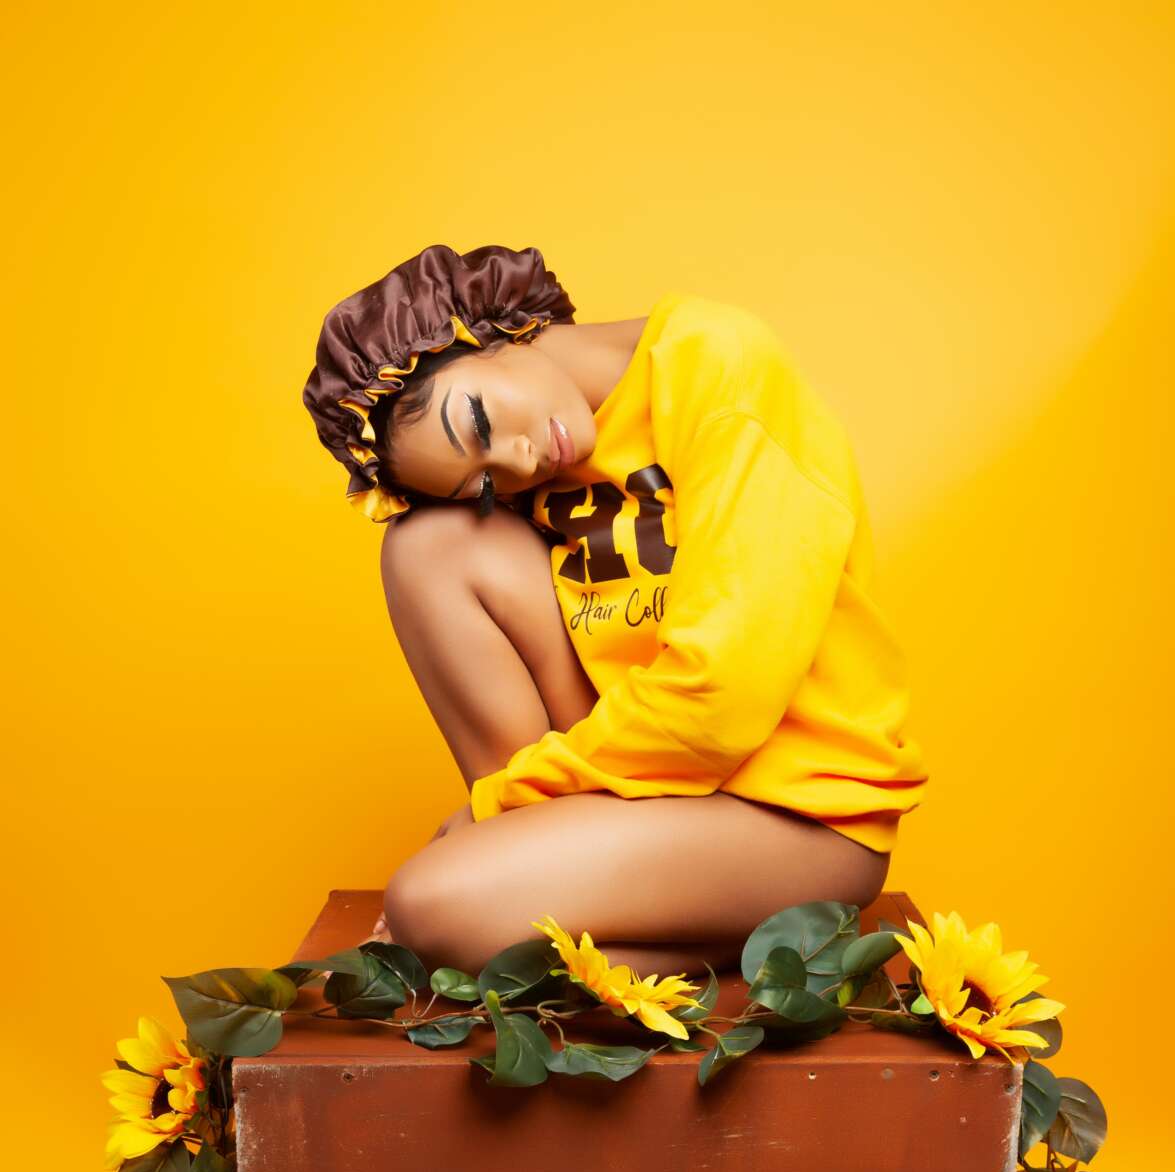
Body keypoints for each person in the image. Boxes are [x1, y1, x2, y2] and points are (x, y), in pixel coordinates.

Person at [302, 243, 928, 982]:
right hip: (650, 788)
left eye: (479, 422)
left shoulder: (719, 365)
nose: (520, 461)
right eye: (485, 481)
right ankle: (519, 893)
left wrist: (495, 806)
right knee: (426, 545)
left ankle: (519, 913)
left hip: (798, 812)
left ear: (476, 333)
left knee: (426, 907)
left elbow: (721, 700)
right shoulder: (537, 461)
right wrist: (508, 814)